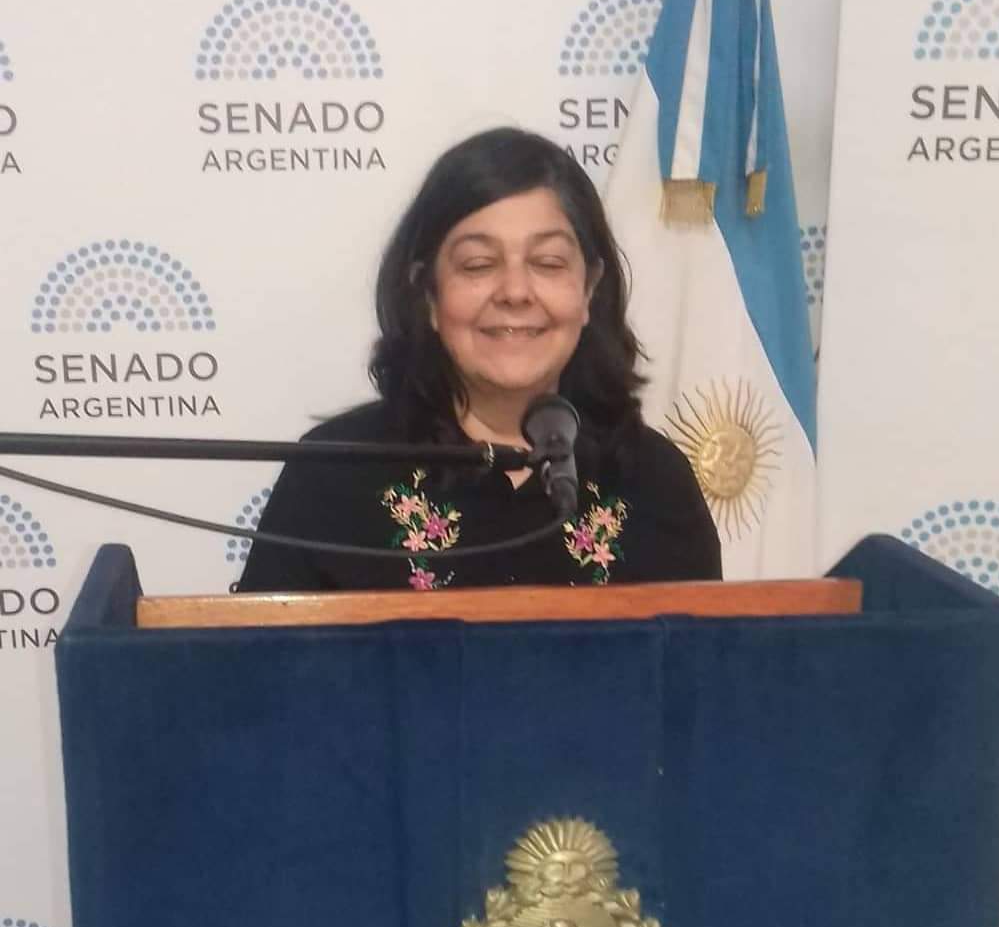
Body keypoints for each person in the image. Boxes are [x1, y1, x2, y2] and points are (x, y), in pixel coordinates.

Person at [238, 127, 722, 592]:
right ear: (428, 293)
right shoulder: (333, 474)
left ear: (589, 289)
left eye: (548, 263)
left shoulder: (656, 483)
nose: (515, 291)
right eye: (478, 265)